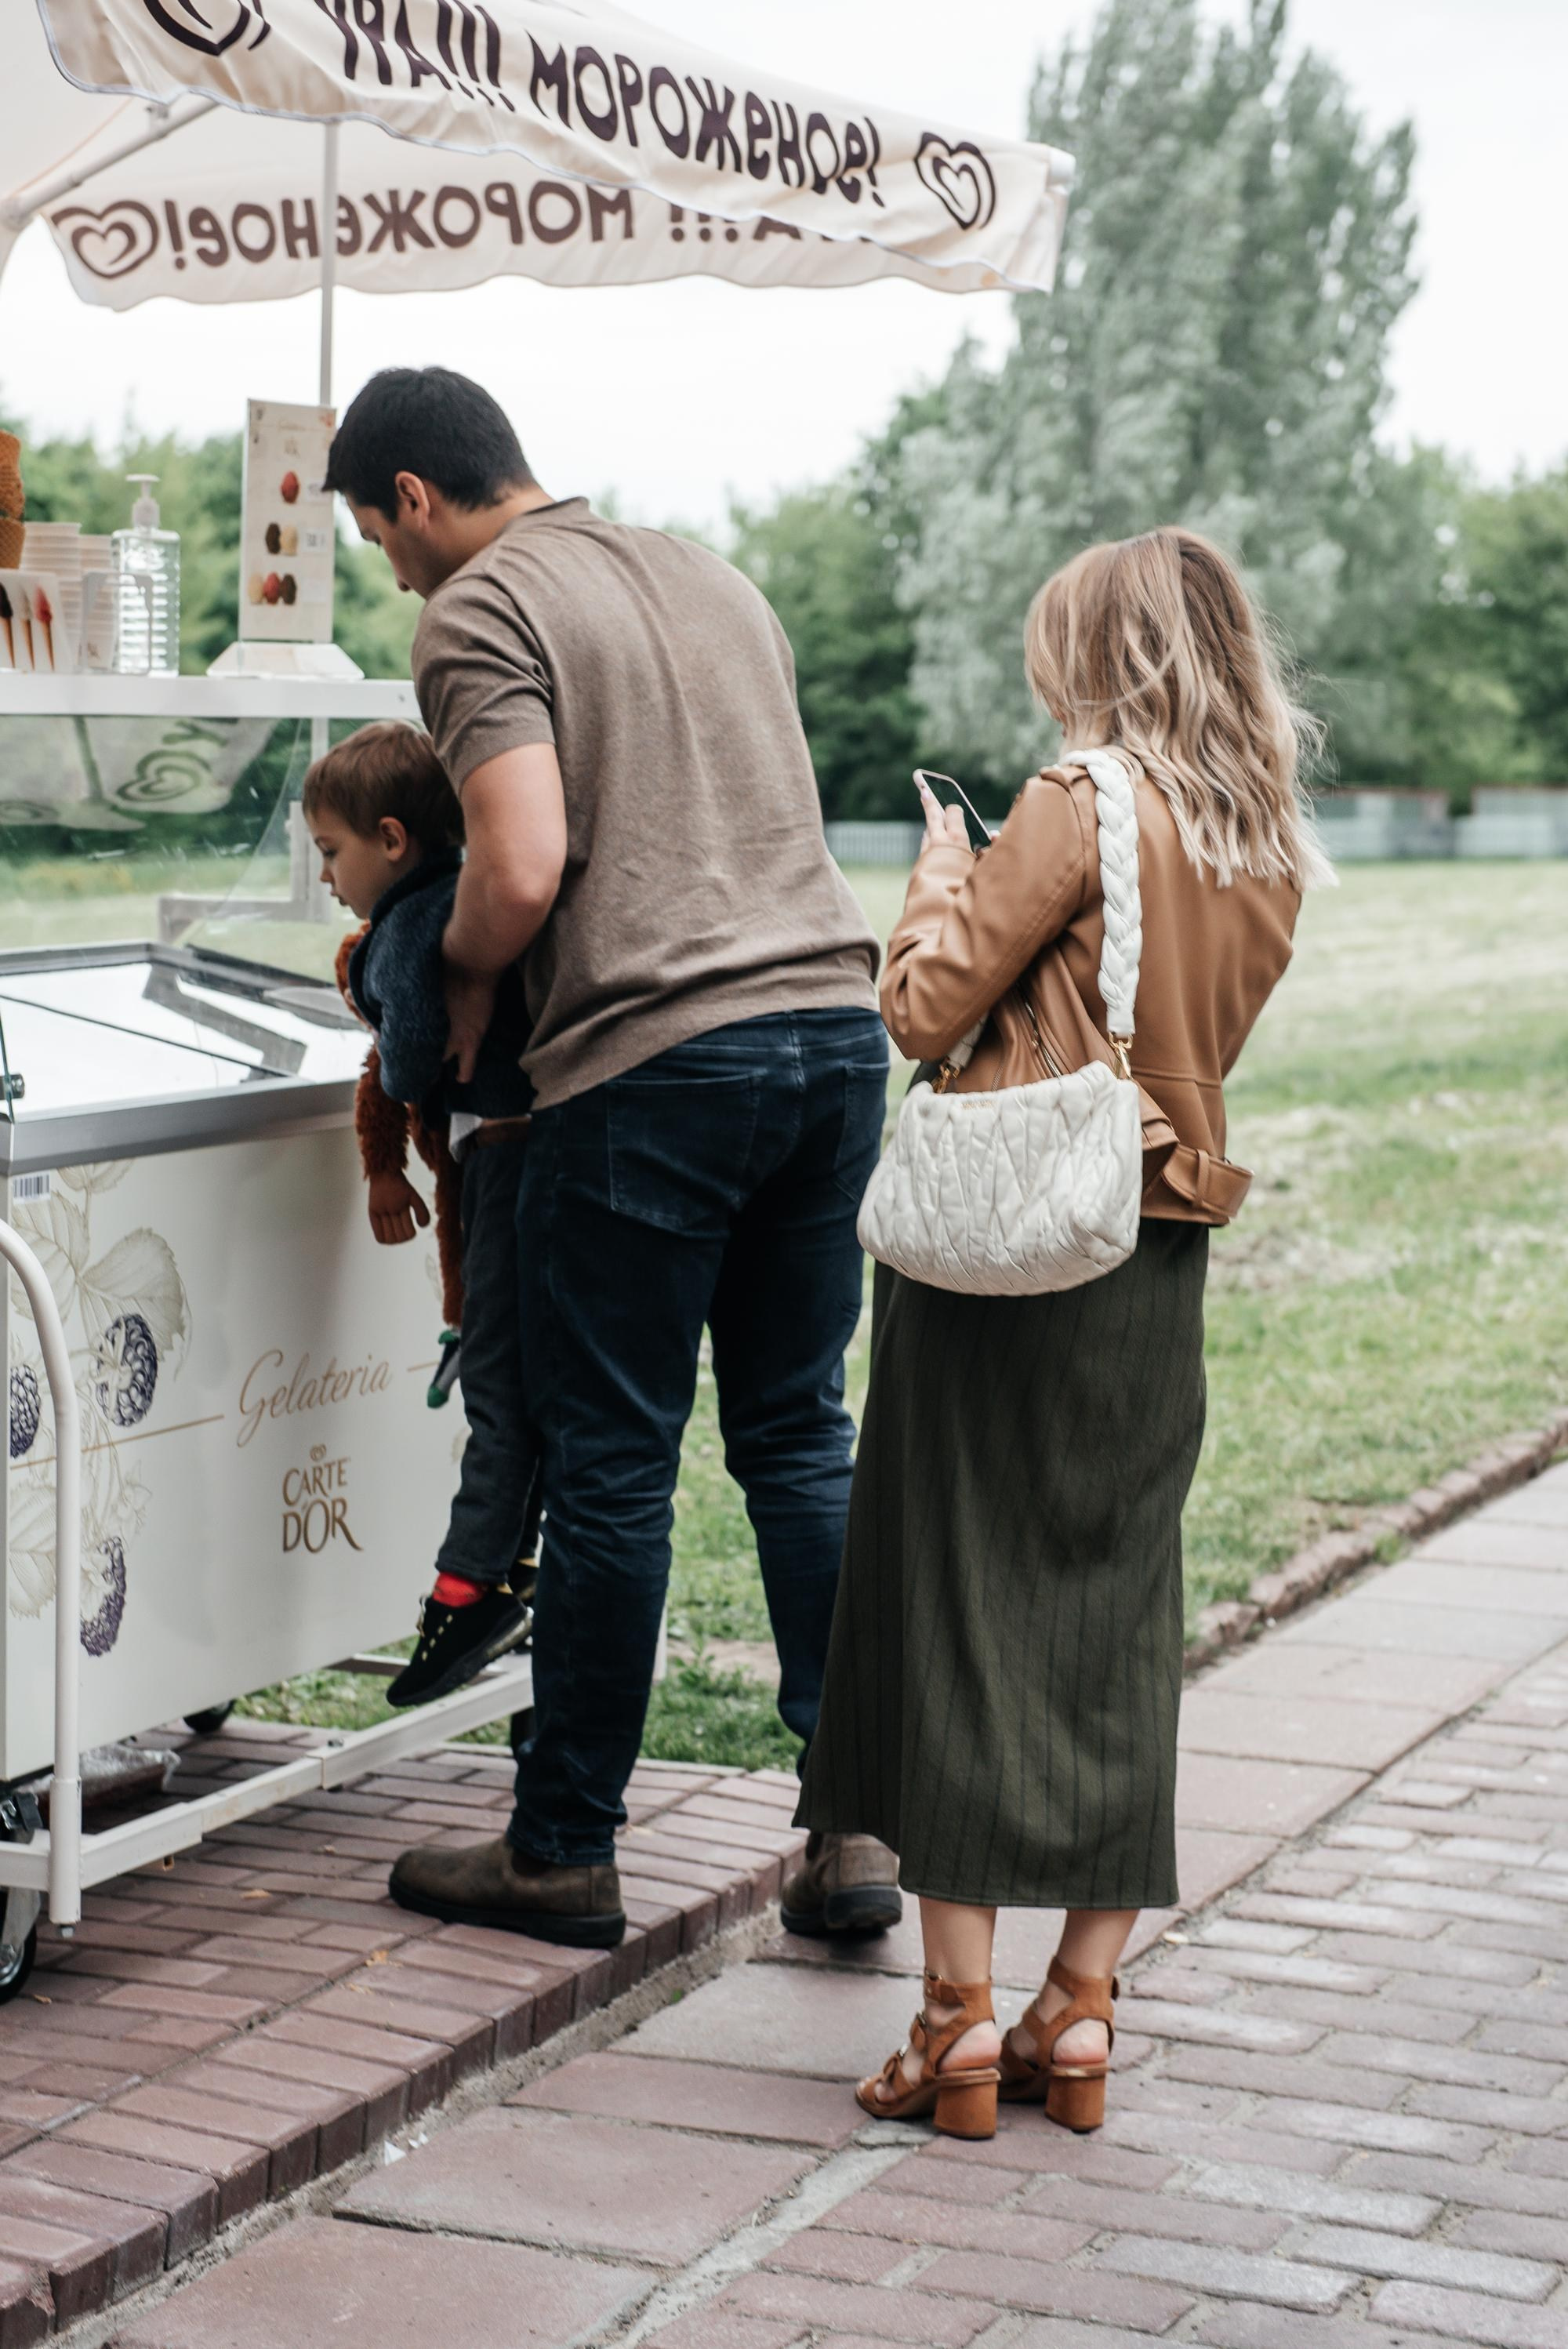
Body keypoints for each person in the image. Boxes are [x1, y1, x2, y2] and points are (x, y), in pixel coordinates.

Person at [323, 366, 899, 1951]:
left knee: (611, 1463)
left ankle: (562, 1847)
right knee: (798, 1437)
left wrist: (455, 979)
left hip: (655, 1066)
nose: (396, 574)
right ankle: (852, 1822)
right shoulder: (708, 573)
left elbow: (518, 865)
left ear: (414, 497)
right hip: (833, 1034)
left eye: (379, 538)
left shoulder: (479, 608)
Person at [798, 527, 1324, 2139]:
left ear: (1104, 652)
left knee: (957, 1597)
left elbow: (923, 1007)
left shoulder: (1076, 797)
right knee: (1114, 1613)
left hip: (1008, 1251)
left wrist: (936, 877)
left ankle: (955, 2022)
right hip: (1155, 1255)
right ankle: (1080, 2006)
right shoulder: (1263, 835)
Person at [303, 722, 540, 1707]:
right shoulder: (472, 889)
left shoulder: (404, 925)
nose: (326, 877)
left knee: (495, 1376)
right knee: (533, 1374)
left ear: (392, 840)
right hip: (548, 1140)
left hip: (500, 1153)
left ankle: (468, 1586)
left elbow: (407, 1046)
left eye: (330, 852)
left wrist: (401, 1092)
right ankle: (513, 1563)